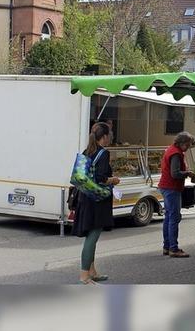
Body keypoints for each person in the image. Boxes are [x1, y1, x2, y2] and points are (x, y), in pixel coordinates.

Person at [72, 122, 120, 285]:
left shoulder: (88, 151)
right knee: (92, 237)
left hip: (85, 198)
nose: (111, 137)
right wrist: (113, 179)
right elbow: (101, 178)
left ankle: (92, 271)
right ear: (104, 137)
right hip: (97, 201)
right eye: (110, 134)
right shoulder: (103, 153)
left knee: (91, 235)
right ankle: (84, 276)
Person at [158, 131, 195, 258]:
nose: (188, 147)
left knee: (169, 217)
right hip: (171, 188)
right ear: (182, 143)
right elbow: (175, 173)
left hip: (166, 187)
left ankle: (167, 246)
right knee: (174, 218)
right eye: (188, 144)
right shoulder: (176, 153)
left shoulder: (171, 149)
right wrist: (188, 173)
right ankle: (173, 249)